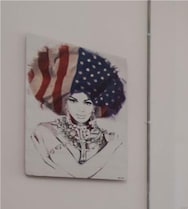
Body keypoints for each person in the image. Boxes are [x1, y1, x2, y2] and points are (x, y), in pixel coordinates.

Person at [26, 43, 126, 179]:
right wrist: (113, 145)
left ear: (95, 106)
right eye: (74, 101)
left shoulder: (104, 137)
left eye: (87, 102)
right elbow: (78, 172)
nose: (81, 109)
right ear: (65, 102)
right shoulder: (45, 130)